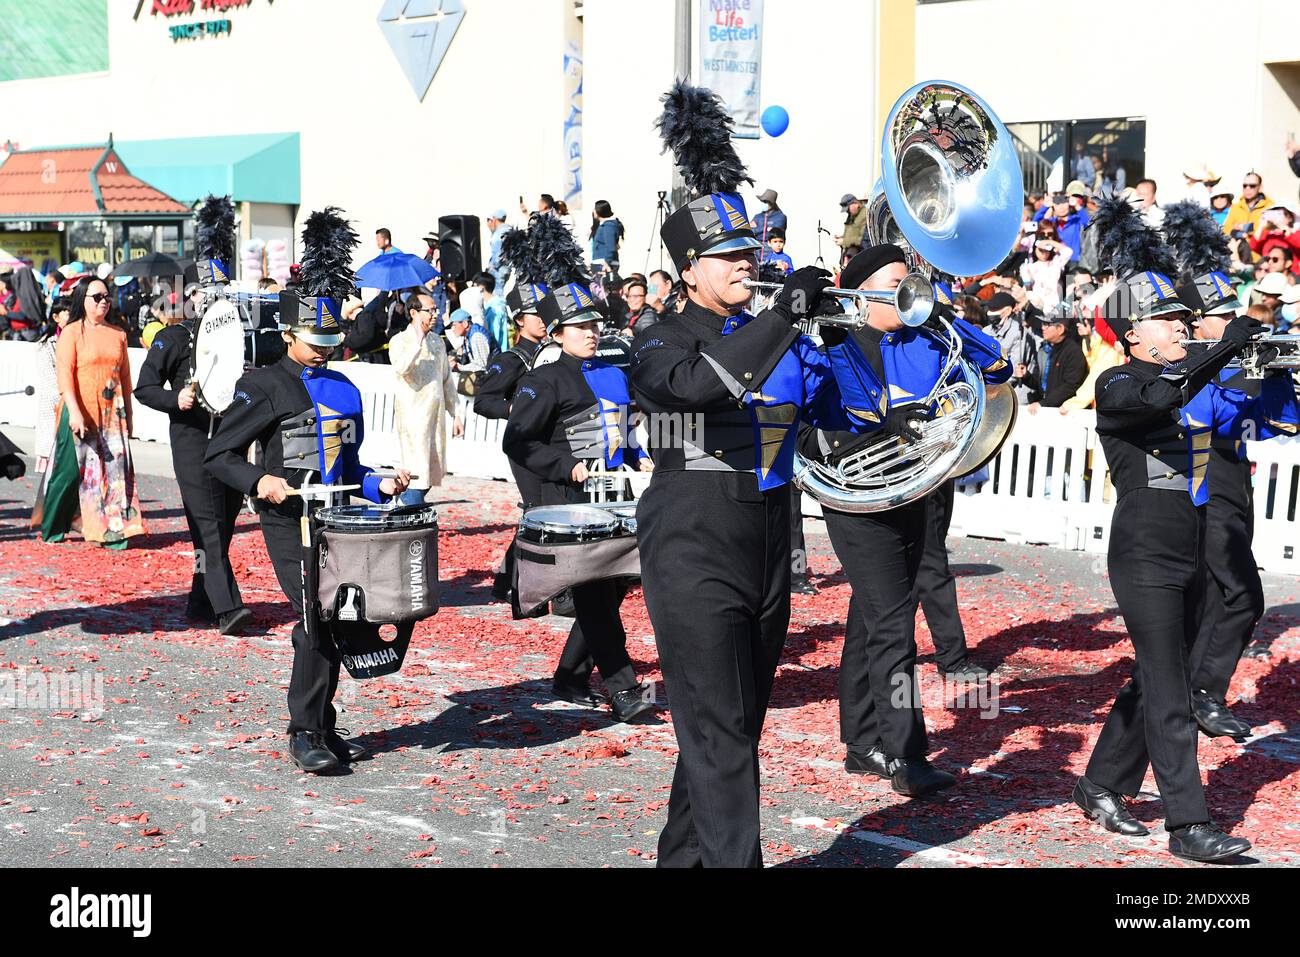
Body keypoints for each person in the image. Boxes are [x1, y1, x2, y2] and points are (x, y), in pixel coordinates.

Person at [629, 81, 843, 867]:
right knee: (720, 729)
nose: (748, 263)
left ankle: (681, 858)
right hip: (690, 544)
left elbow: (833, 415)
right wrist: (784, 318)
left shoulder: (769, 332)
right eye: (730, 256)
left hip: (764, 545)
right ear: (689, 268)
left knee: (731, 723)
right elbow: (694, 388)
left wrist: (848, 335)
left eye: (751, 251)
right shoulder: (655, 337)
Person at [1074, 194, 1258, 863]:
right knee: (1172, 690)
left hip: (1187, 554)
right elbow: (1162, 394)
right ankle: (1188, 825)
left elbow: (1214, 403)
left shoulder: (1186, 378)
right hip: (1145, 559)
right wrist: (1215, 352)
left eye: (1183, 318)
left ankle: (1099, 782)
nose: (1181, 326)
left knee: (1159, 678)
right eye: (1168, 319)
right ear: (1132, 334)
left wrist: (1239, 356)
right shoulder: (1121, 385)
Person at [797, 244, 1011, 796]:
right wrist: (875, 431)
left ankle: (862, 742)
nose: (908, 289)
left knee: (871, 618)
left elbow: (1000, 368)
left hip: (917, 489)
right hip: (856, 496)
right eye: (896, 282)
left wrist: (945, 314)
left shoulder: (926, 337)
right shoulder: (830, 342)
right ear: (861, 292)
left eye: (910, 280)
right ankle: (906, 754)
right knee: (894, 622)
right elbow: (801, 428)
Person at [205, 284, 411, 774]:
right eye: (313, 337)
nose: (323, 347)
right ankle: (305, 732)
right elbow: (219, 456)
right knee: (316, 621)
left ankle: (321, 723)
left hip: (340, 521)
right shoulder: (263, 385)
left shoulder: (346, 387)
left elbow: (352, 467)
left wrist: (381, 484)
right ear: (288, 332)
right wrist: (261, 481)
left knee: (336, 621)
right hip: (288, 522)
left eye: (329, 336)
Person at [504, 279, 655, 721]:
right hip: (571, 504)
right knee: (594, 596)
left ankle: (570, 675)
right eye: (579, 326)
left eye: (594, 324)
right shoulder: (544, 379)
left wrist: (638, 456)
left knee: (609, 592)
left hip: (616, 499)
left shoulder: (614, 373)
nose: (591, 332)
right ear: (556, 333)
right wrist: (565, 465)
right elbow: (518, 441)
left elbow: (623, 433)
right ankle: (623, 689)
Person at [134, 260, 250, 633]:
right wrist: (176, 398)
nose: (216, 298)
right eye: (209, 291)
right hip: (192, 443)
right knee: (208, 527)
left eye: (222, 291)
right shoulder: (174, 336)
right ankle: (228, 607)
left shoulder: (238, 335)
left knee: (223, 527)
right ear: (191, 296)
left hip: (230, 443)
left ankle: (200, 601)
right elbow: (145, 387)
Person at [31, 277, 146, 548]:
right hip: (78, 410)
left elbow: (125, 381)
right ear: (83, 300)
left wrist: (129, 416)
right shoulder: (71, 332)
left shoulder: (118, 334)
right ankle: (54, 525)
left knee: (114, 474)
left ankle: (112, 531)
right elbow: (65, 378)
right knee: (69, 474)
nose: (103, 301)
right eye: (97, 297)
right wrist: (75, 413)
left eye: (106, 296)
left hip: (111, 415)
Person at [474, 242, 551, 607]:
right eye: (537, 314)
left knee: (543, 510)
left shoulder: (554, 354)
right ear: (520, 319)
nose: (544, 320)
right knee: (537, 508)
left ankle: (508, 576)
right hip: (524, 443)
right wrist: (515, 408)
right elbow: (483, 401)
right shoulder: (511, 359)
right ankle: (520, 583)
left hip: (553, 443)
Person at [388, 290, 462, 505]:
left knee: (432, 470)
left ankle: (403, 504)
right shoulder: (400, 341)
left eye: (435, 310)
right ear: (414, 312)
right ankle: (406, 509)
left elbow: (446, 380)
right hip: (413, 419)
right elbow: (401, 367)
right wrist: (417, 343)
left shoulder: (437, 342)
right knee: (417, 471)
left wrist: (456, 413)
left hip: (435, 417)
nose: (434, 315)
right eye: (429, 311)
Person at [1027, 304, 1088, 411]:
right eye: (1043, 323)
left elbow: (1071, 386)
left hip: (1064, 413)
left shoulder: (1073, 352)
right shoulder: (1045, 349)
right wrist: (1025, 376)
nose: (1043, 327)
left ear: (1060, 329)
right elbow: (1039, 384)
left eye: (1047, 324)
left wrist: (1044, 403)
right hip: (1046, 408)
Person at [1222, 171, 1272, 238]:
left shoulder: (1270, 207)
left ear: (1260, 188)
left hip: (1258, 247)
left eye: (1252, 186)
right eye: (1245, 186)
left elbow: (1269, 228)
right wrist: (1240, 234)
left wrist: (1245, 227)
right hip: (1238, 246)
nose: (1247, 188)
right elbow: (1226, 229)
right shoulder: (1236, 207)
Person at [473, 271, 510, 352]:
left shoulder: (495, 308)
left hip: (498, 354)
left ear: (481, 287)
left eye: (474, 286)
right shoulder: (491, 306)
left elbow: (495, 334)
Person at [588, 199, 623, 274]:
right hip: (600, 262)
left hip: (604, 264)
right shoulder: (604, 225)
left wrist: (607, 262)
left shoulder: (608, 226)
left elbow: (611, 247)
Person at [485, 209, 513, 290]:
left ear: (494, 219)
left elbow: (498, 255)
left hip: (498, 271)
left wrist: (491, 268)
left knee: (496, 296)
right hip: (505, 269)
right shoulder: (508, 230)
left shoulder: (499, 234)